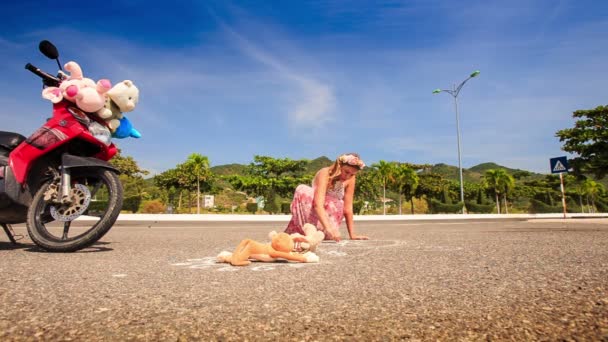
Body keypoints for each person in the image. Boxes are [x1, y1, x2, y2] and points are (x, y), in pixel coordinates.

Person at [284, 153, 369, 242]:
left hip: (329, 217)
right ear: (339, 166)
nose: (348, 176)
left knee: (339, 203)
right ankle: (308, 230)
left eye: (352, 174)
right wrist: (328, 228)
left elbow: (348, 208)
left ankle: (323, 232)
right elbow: (318, 204)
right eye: (346, 172)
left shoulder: (351, 178)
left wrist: (352, 235)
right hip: (313, 213)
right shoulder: (325, 173)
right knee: (302, 189)